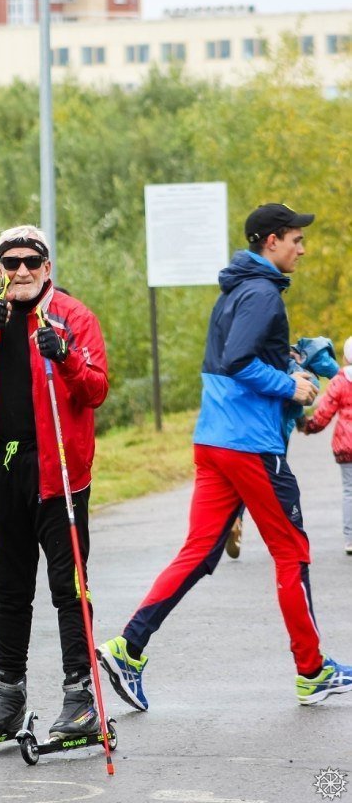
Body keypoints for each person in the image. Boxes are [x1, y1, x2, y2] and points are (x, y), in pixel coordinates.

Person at [97, 203, 352, 708]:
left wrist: (291, 363)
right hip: (249, 447)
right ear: (271, 241)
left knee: (199, 553)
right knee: (292, 553)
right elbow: (238, 360)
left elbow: (240, 356)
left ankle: (128, 648)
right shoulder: (262, 294)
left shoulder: (237, 290)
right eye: (296, 239)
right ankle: (312, 671)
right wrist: (291, 386)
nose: (302, 248)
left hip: (214, 440)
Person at [0, 224, 109, 739]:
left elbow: (97, 389)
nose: (21, 271)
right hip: (6, 469)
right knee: (9, 588)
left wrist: (64, 354)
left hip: (59, 471)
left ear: (47, 268)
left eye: (31, 263)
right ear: (0, 269)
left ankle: (80, 697)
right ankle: (9, 696)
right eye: (11, 263)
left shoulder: (73, 316)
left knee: (68, 586)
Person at [224, 336, 339, 560]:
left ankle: (236, 519)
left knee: (247, 479)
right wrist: (307, 423)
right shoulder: (310, 354)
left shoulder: (267, 359)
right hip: (275, 435)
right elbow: (330, 377)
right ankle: (284, 535)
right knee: (278, 484)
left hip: (254, 428)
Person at [303, 335, 352, 556]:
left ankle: (351, 539)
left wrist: (309, 426)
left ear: (345, 357)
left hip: (346, 445)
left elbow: (324, 412)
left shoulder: (340, 381)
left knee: (349, 492)